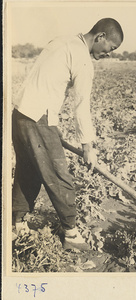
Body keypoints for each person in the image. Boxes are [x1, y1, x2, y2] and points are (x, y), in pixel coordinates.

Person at [12, 18, 124, 250]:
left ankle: (17, 223)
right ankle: (71, 235)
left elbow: (46, 81)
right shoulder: (83, 59)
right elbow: (81, 106)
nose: (108, 54)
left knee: (28, 171)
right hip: (38, 118)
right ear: (100, 37)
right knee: (59, 175)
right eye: (110, 48)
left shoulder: (63, 41)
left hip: (21, 112)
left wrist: (51, 124)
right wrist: (88, 147)